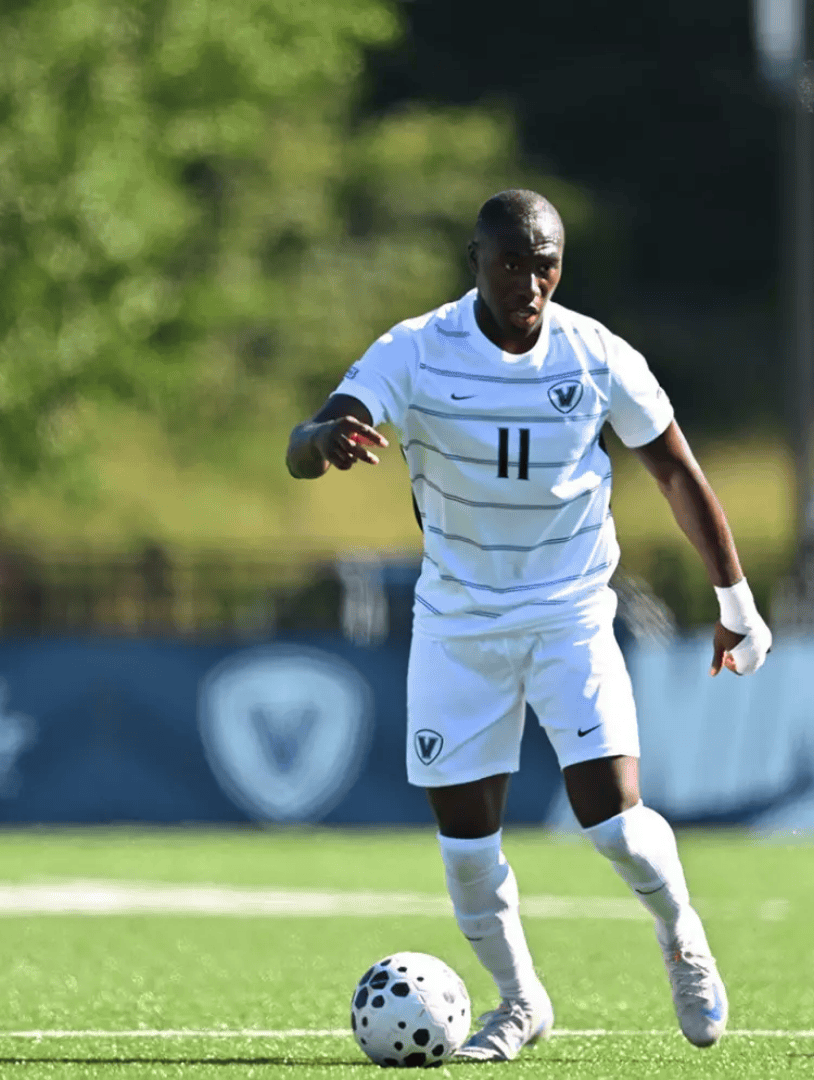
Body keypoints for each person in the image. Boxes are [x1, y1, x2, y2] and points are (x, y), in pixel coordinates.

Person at [286, 189, 771, 1061]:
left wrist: (736, 602)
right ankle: (520, 1003)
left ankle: (681, 933)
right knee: (467, 851)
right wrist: (323, 442)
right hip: (457, 623)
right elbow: (311, 435)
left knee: (615, 825)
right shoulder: (416, 350)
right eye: (512, 261)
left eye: (545, 262)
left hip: (569, 615)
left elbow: (676, 473)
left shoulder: (595, 355)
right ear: (474, 260)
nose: (530, 281)